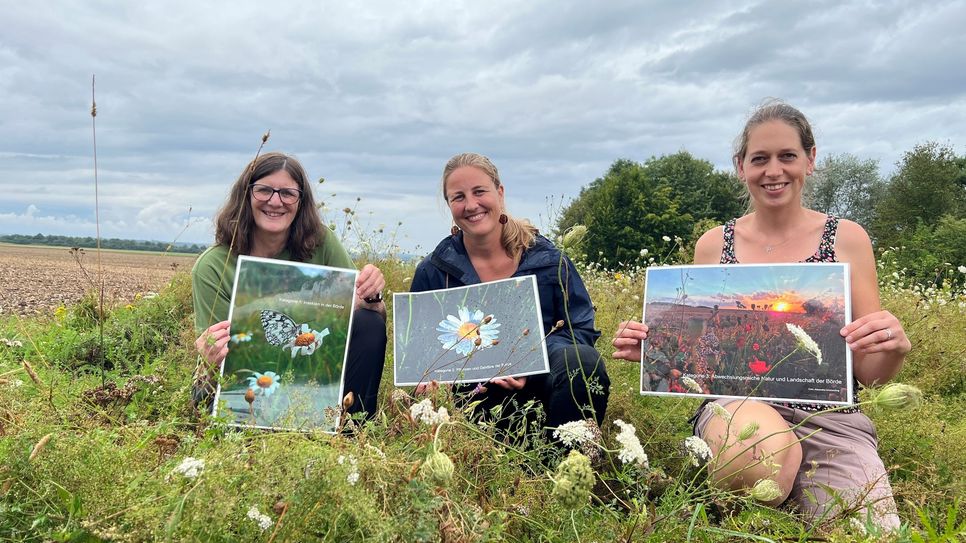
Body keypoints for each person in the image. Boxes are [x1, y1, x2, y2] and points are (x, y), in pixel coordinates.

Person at [612, 101, 910, 530]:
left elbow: (870, 374)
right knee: (755, 458)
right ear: (740, 167)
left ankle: (795, 494)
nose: (774, 170)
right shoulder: (714, 245)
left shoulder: (847, 239)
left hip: (830, 420)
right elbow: (701, 364)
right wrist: (656, 352)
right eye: (760, 159)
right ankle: (755, 510)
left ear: (810, 159)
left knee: (870, 532)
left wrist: (890, 347)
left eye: (787, 156)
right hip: (738, 408)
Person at [410, 152, 610, 442]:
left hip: (540, 393)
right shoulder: (433, 271)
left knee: (583, 362)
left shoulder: (549, 261)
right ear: (449, 206)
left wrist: (529, 360)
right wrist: (428, 381)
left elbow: (580, 330)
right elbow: (419, 352)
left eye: (479, 192)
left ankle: (565, 466)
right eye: (458, 197)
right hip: (467, 400)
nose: (471, 205)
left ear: (500, 192)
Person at [191, 151, 387, 419]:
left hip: (311, 363)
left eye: (287, 193)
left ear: (300, 201)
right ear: (246, 195)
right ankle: (246, 431)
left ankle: (354, 429)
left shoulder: (322, 243)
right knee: (204, 396)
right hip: (246, 377)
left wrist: (372, 295)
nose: (275, 201)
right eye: (264, 191)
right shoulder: (212, 266)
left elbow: (373, 312)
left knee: (369, 323)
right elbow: (219, 357)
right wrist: (209, 355)